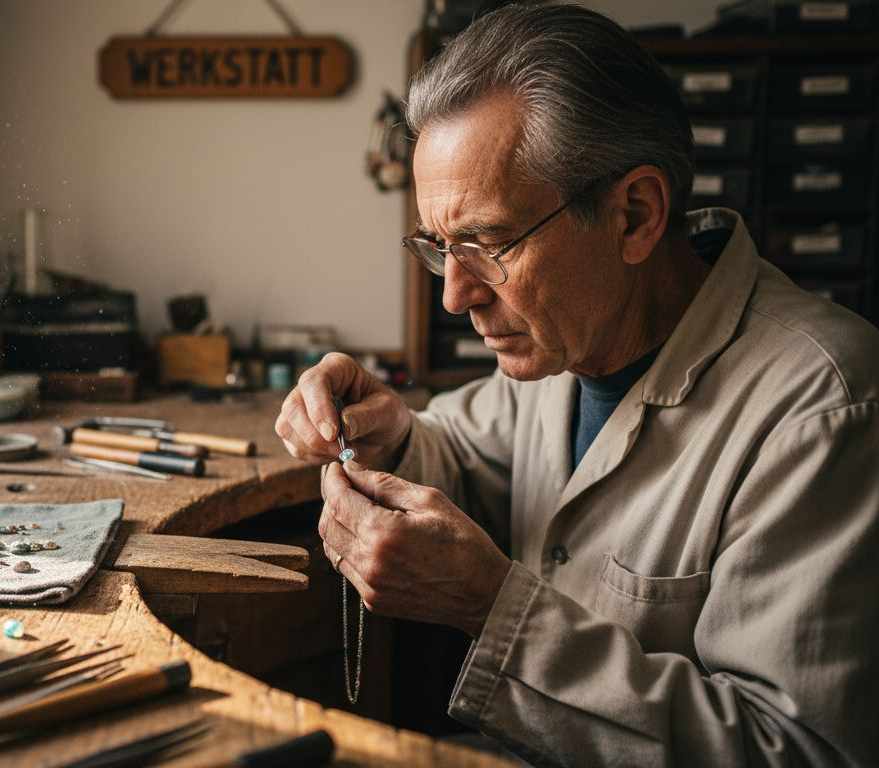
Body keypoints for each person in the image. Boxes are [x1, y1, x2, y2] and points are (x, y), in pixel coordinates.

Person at [275, 3, 878, 765]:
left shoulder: (825, 407)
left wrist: (487, 607)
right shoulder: (561, 343)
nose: (454, 298)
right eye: (439, 247)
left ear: (635, 214)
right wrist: (387, 435)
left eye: (487, 244)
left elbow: (794, 750)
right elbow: (468, 454)